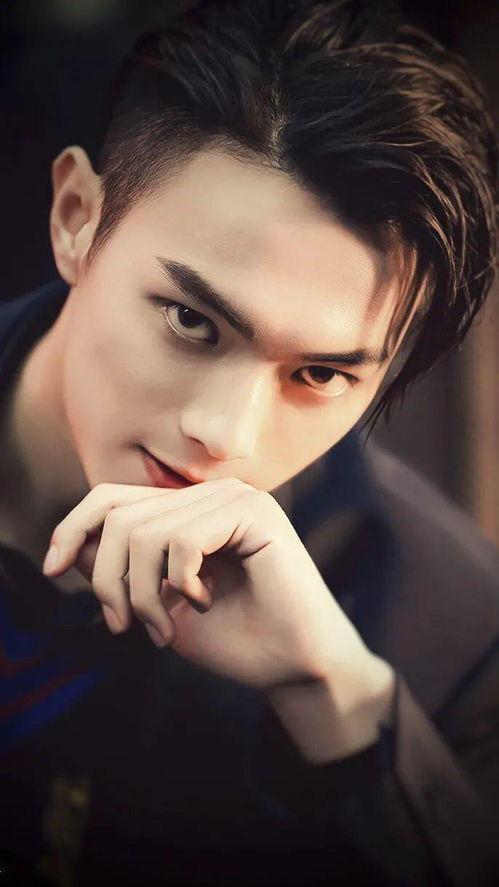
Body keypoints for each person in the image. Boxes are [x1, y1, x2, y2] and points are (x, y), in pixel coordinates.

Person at [0, 0, 498, 884]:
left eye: (320, 374)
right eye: (191, 321)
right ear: (77, 216)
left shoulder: (450, 631)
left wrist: (335, 700)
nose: (224, 434)